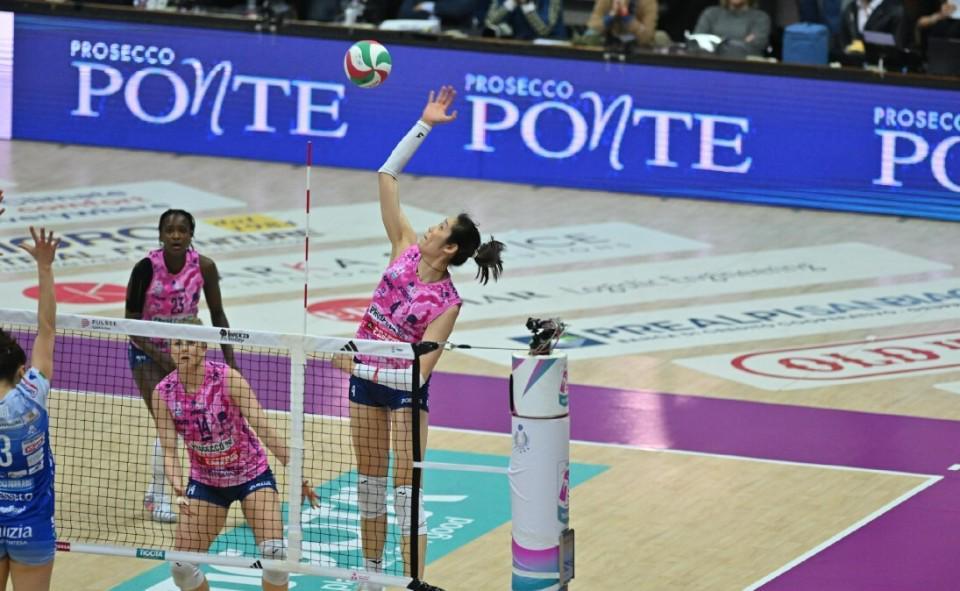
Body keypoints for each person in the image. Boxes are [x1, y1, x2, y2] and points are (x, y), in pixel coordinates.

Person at [333, 86, 505, 591]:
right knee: (369, 486)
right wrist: (424, 124)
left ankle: (413, 583)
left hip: (404, 395)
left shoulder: (448, 303)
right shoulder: (403, 247)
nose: (430, 227)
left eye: (441, 227)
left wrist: (356, 364)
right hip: (366, 385)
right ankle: (369, 577)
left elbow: (420, 373)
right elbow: (386, 175)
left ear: (450, 248)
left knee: (407, 493)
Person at [152, 322, 319, 591]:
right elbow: (169, 450)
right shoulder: (163, 393)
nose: (184, 349)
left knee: (275, 557)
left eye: (190, 343)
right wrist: (177, 485)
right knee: (181, 567)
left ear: (203, 347)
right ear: (171, 349)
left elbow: (263, 427)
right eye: (178, 344)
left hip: (252, 476)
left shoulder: (227, 378)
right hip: (206, 483)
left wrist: (297, 473)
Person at [125, 209, 236, 523]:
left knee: (190, 420)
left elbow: (218, 314)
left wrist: (231, 361)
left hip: (187, 353)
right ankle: (161, 497)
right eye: (170, 230)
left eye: (182, 230)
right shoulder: (145, 268)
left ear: (190, 234)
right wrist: (163, 358)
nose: (176, 235)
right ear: (161, 235)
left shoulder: (204, 267)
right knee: (169, 422)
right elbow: (131, 323)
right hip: (147, 353)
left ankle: (158, 490)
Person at [0, 222, 61, 591]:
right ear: (21, 370)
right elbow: (47, 329)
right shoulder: (32, 393)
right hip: (32, 526)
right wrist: (45, 266)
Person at [693, 0, 772, 57]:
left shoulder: (760, 18)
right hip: (709, 66)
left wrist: (714, 42)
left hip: (746, 68)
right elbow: (696, 42)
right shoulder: (711, 13)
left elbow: (756, 48)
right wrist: (741, 43)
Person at [483, 0, 566, 40]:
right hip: (519, 46)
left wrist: (526, 5)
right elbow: (490, 22)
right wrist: (511, 3)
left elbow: (544, 30)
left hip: (551, 51)